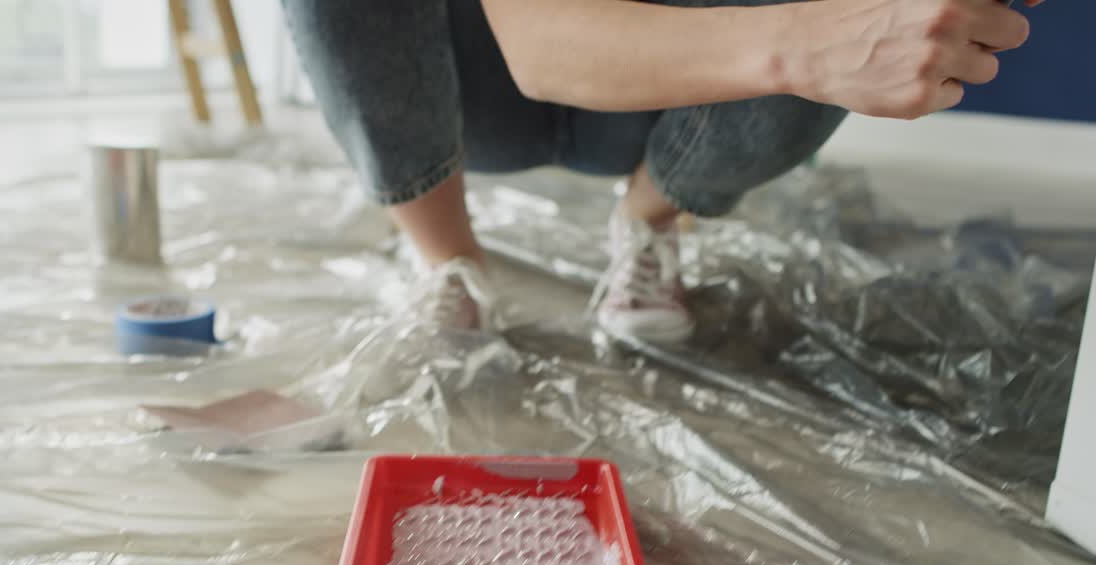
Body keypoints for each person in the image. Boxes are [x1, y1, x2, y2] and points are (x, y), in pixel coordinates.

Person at [282, 0, 1038, 342]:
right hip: (470, 85)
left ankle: (646, 221)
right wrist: (815, 41)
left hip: (676, 104)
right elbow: (542, 48)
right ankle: (448, 257)